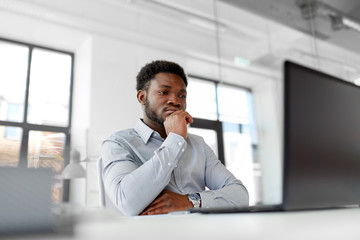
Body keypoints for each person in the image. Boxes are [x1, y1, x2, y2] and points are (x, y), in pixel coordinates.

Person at [101, 60, 249, 216]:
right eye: (164, 92)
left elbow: (240, 196)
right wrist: (175, 140)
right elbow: (127, 203)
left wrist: (189, 201)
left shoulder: (198, 144)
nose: (176, 101)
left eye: (182, 95)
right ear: (142, 97)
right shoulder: (118, 143)